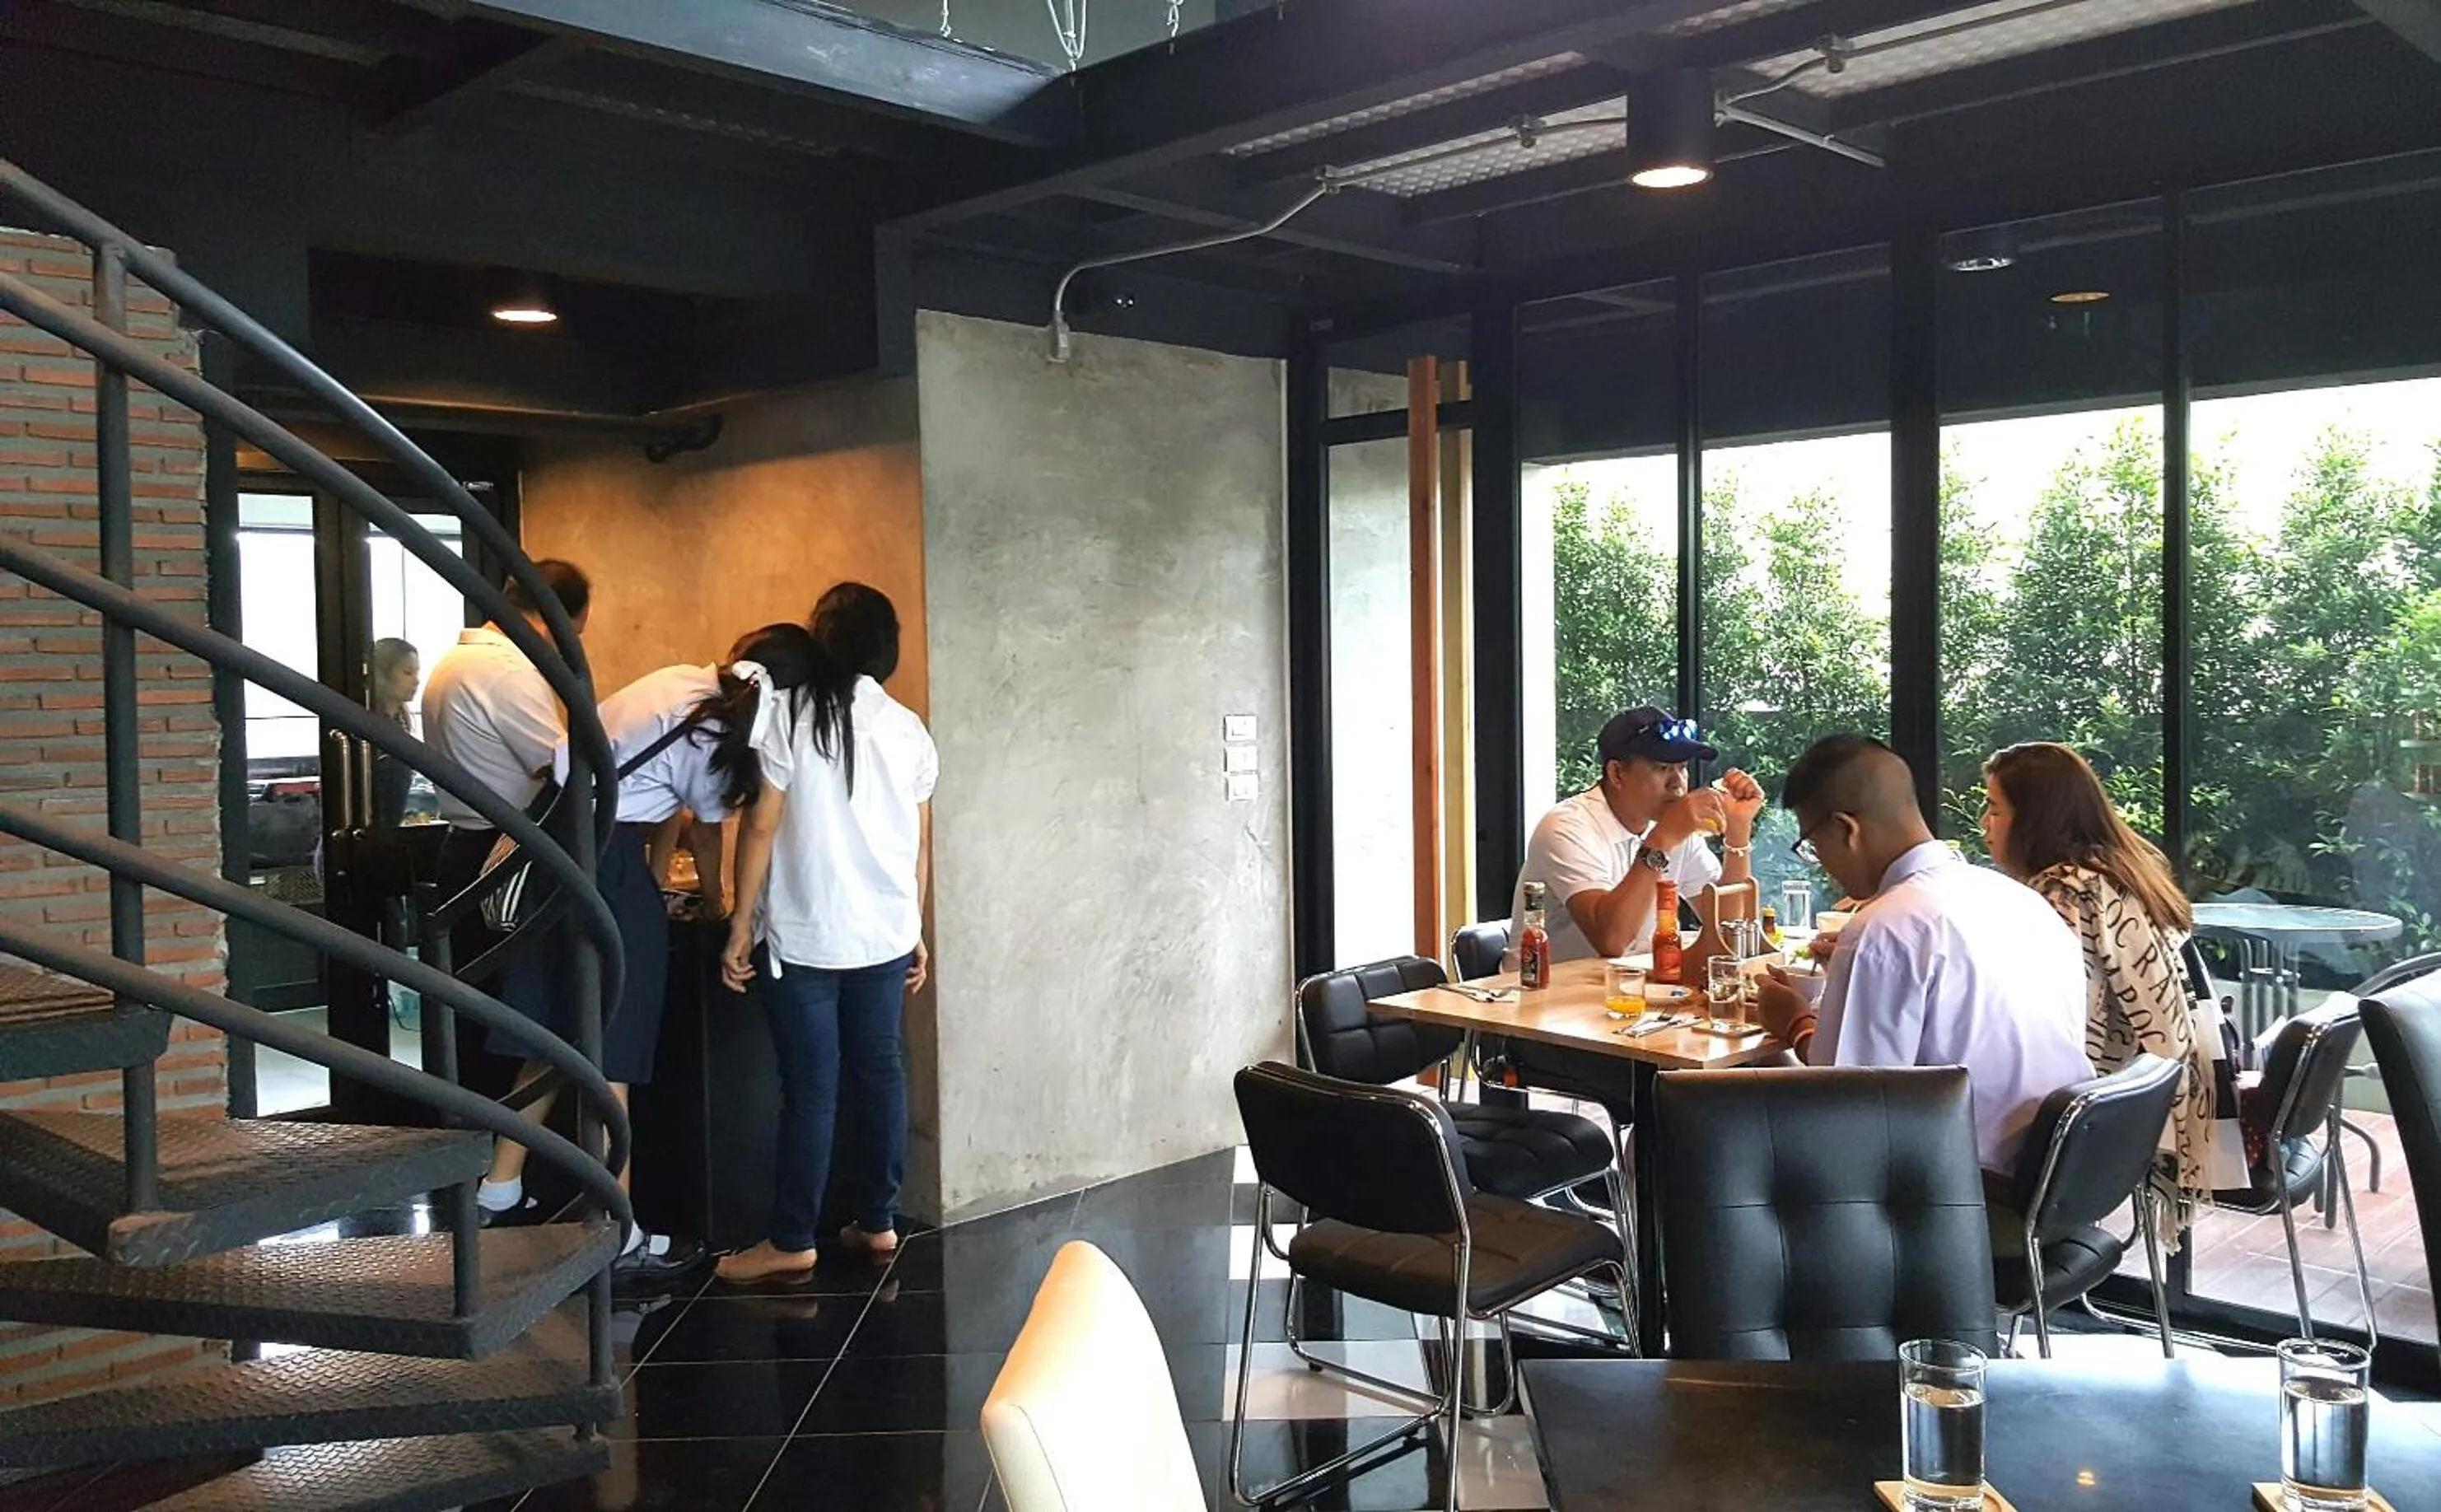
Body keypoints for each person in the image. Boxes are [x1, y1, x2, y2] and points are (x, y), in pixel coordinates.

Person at [474, 623, 819, 1297]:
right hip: (604, 866)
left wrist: (655, 875)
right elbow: (706, 825)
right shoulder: (723, 732)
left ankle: (498, 1189)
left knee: (551, 1031)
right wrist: (722, 912)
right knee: (614, 1047)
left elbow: (628, 777)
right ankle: (617, 1228)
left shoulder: (676, 680)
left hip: (554, 840)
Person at [717, 583, 936, 1285]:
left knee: (811, 1088)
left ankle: (792, 1239)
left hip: (807, 937)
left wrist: (739, 920)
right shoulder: (907, 728)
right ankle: (878, 1222)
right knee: (881, 1075)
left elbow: (760, 824)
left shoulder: (787, 717)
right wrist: (917, 928)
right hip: (885, 934)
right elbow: (919, 847)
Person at [1751, 735, 2089, 1178]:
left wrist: (1793, 1020)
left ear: (1846, 829)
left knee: (1700, 1133)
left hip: (1958, 1190)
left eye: (1814, 847)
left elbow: (1845, 1109)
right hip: (2059, 1172)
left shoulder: (1884, 927)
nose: (1824, 865)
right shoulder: (2018, 899)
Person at [1982, 740, 2244, 1239]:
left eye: (1995, 809)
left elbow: (2031, 1018)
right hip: (2142, 1104)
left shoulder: (2065, 894)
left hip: (2084, 1135)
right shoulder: (2122, 871)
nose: (1984, 823)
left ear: (2035, 818)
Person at [1505, 707, 1767, 968]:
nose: (1678, 783)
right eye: (1662, 768)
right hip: (1544, 999)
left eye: (1683, 767)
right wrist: (1660, 841)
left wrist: (1738, 831)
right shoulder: (1566, 827)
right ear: (1617, 774)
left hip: (1628, 991)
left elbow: (1729, 927)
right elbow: (1611, 940)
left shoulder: (1676, 830)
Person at [367, 637, 421, 829]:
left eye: (416, 672)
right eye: (407, 672)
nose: (416, 680)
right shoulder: (369, 726)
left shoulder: (399, 723)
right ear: (381, 675)